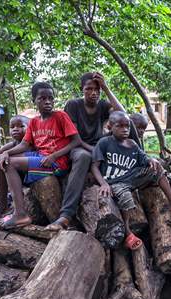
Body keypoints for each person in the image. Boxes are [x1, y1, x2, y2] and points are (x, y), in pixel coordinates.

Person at [0, 82, 81, 229]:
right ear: (34, 100)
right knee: (1, 160)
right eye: (42, 98)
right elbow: (24, 145)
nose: (47, 101)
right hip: (39, 157)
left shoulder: (60, 116)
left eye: (50, 98)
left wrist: (54, 156)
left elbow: (76, 141)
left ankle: (20, 214)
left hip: (56, 162)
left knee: (10, 164)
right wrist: (6, 152)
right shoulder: (34, 122)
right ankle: (1, 207)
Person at [92, 111, 171, 250]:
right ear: (110, 127)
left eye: (127, 126)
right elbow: (95, 166)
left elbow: (144, 159)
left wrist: (151, 160)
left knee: (156, 168)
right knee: (126, 198)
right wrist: (103, 184)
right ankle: (128, 233)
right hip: (115, 182)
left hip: (132, 177)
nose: (125, 129)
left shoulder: (133, 144)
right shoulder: (104, 143)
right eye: (120, 126)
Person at [46, 72, 128, 231]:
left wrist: (106, 88)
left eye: (97, 89)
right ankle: (66, 215)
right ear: (82, 89)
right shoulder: (73, 105)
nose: (93, 92)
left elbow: (122, 115)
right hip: (77, 148)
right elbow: (75, 139)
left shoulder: (103, 105)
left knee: (127, 130)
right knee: (84, 157)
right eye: (89, 88)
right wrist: (96, 150)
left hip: (98, 146)